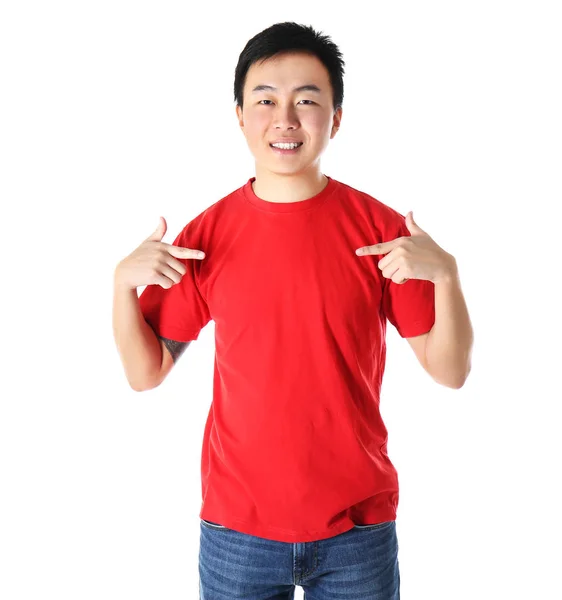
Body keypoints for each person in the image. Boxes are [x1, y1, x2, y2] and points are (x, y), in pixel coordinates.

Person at [112, 21, 473, 600]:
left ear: (334, 119)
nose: (285, 118)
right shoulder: (207, 234)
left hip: (358, 527)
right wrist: (120, 288)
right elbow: (145, 372)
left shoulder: (380, 232)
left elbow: (450, 371)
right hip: (237, 531)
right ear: (239, 116)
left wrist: (447, 275)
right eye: (265, 100)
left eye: (307, 100)